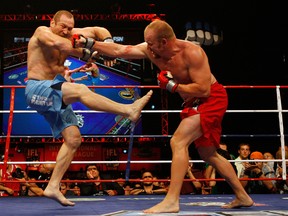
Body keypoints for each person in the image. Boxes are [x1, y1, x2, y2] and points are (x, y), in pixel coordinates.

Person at [75, 19, 254, 212]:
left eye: (151, 44)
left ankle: (171, 201)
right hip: (191, 102)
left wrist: (171, 86)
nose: (148, 48)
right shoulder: (151, 49)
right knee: (209, 154)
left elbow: (203, 90)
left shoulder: (192, 53)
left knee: (178, 142)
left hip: (211, 99)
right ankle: (243, 197)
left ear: (164, 42)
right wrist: (89, 43)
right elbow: (121, 51)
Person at [24, 10, 153, 206]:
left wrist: (107, 44)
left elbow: (99, 30)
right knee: (81, 90)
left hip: (56, 88)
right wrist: (91, 52)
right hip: (37, 88)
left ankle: (52, 186)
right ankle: (128, 110)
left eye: (70, 27)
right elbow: (62, 44)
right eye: (63, 26)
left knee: (74, 139)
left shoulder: (73, 34)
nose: (66, 31)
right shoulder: (42, 31)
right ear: (52, 23)